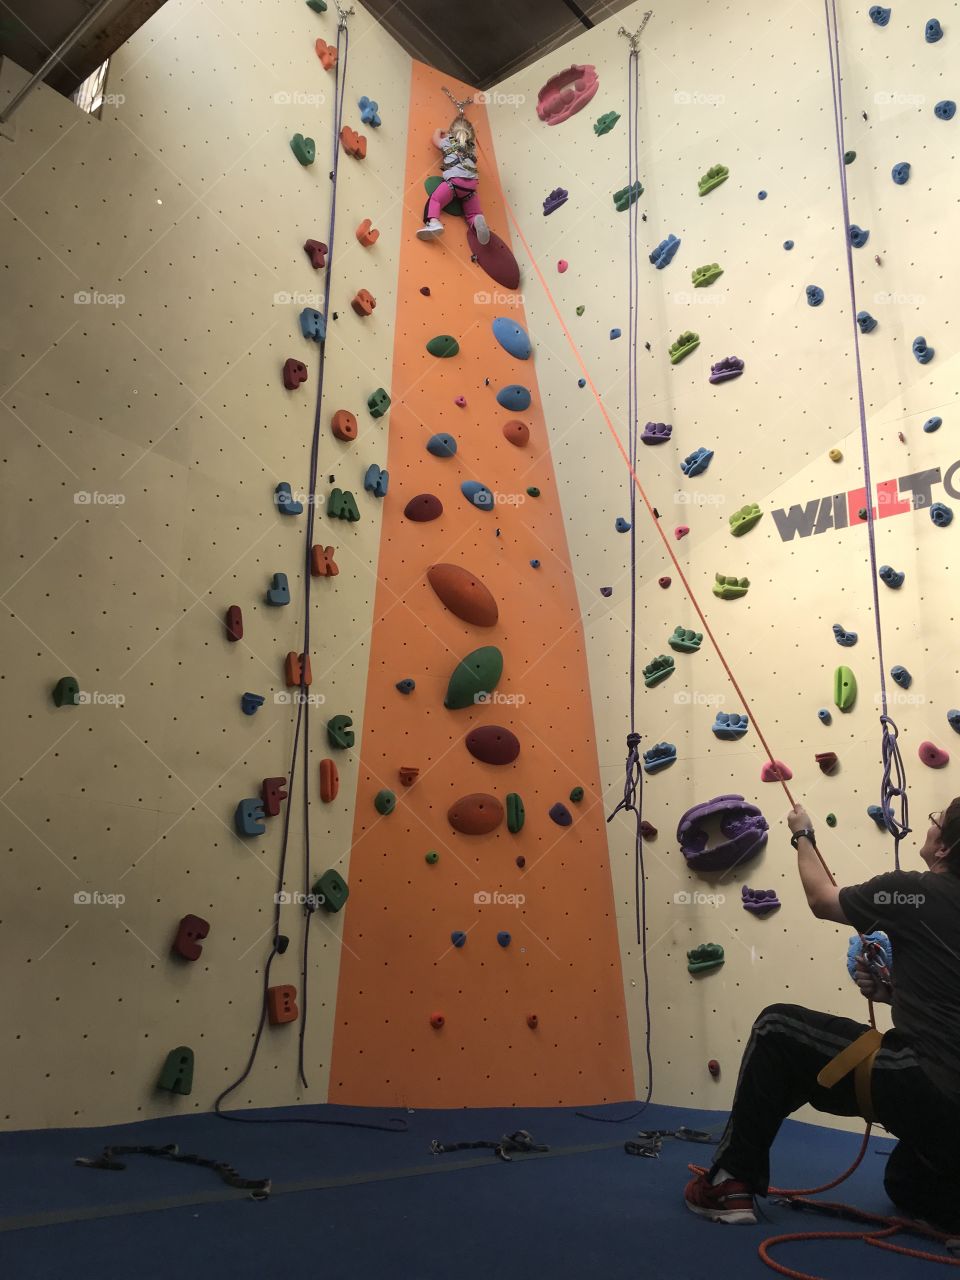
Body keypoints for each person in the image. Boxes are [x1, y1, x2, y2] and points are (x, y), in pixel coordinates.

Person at [684, 800, 960, 1230]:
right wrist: (892, 995)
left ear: (944, 848)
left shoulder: (915, 890)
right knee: (906, 1181)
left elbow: (822, 899)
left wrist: (802, 833)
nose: (929, 826)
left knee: (777, 1029)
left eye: (935, 822)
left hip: (930, 1086)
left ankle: (728, 1181)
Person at [417, 114, 490, 245]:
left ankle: (433, 222)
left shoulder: (447, 142)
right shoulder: (472, 148)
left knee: (435, 199)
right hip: (471, 187)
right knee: (472, 212)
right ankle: (477, 219)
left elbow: (435, 139)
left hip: (454, 183)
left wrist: (440, 130)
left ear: (451, 132)